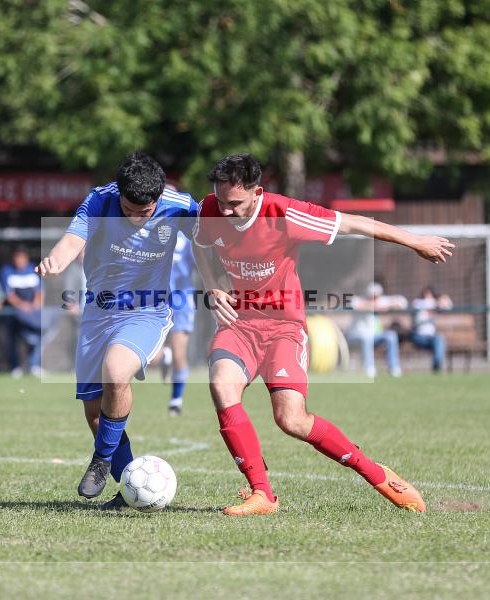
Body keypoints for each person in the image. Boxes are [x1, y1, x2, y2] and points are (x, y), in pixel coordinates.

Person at [192, 153, 454, 516]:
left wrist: (415, 241)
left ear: (257, 192)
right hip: (239, 324)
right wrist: (212, 286)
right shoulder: (210, 209)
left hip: (284, 328)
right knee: (222, 386)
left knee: (291, 420)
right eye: (220, 201)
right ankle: (262, 494)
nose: (225, 210)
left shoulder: (285, 214)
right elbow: (200, 243)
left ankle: (376, 473)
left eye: (234, 203)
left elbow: (353, 224)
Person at [36, 151, 199, 510]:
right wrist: (55, 260)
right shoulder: (100, 199)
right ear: (119, 193)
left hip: (147, 309)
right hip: (97, 312)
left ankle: (101, 459)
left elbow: (214, 237)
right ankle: (129, 490)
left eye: (145, 212)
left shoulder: (181, 206)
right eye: (128, 210)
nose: (136, 219)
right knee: (95, 413)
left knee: (115, 371)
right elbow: (73, 239)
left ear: (159, 197)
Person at [163, 231, 197, 416]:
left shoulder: (189, 236)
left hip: (182, 299)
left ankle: (176, 401)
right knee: (149, 355)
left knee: (179, 352)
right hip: (154, 298)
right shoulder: (154, 229)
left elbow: (200, 262)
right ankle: (164, 354)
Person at [0, 248, 43, 377]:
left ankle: (34, 365)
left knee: (37, 337)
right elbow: (9, 295)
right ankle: (16, 367)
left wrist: (35, 304)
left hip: (33, 312)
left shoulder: (33, 270)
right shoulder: (7, 271)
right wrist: (22, 305)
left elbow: (40, 291)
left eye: (22, 259)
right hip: (14, 313)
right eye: (17, 259)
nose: (20, 262)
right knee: (14, 340)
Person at [348, 282, 405, 378]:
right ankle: (369, 368)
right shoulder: (358, 300)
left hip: (375, 337)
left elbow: (402, 302)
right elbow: (353, 304)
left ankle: (394, 367)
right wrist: (374, 306)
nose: (374, 298)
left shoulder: (381, 301)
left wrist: (388, 305)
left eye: (377, 296)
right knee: (366, 338)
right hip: (357, 336)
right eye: (372, 295)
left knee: (391, 336)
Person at [411, 286, 453, 373]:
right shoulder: (418, 303)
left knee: (440, 338)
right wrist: (435, 303)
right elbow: (419, 305)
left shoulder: (434, 306)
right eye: (426, 295)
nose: (428, 297)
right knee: (438, 339)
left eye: (430, 295)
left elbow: (449, 306)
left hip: (431, 338)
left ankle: (436, 365)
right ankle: (437, 366)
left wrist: (443, 298)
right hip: (418, 337)